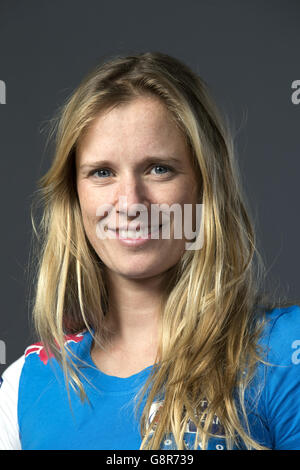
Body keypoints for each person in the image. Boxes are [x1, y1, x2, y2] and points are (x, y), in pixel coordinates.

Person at [0, 51, 299, 451]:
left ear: (204, 187)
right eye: (102, 172)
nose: (130, 202)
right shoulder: (24, 388)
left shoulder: (283, 353)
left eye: (159, 168)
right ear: (75, 197)